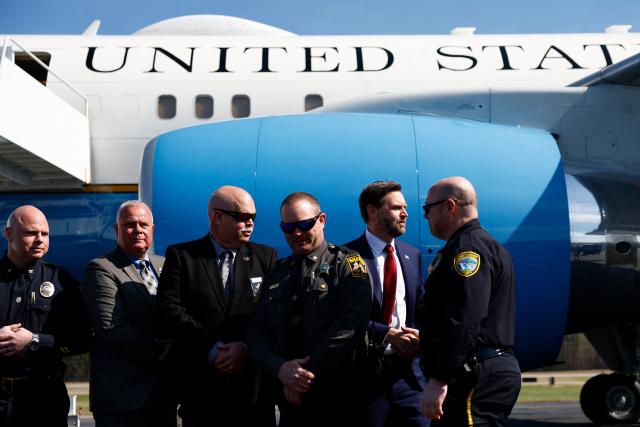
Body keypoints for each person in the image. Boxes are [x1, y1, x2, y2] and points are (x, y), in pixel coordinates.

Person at [156, 185, 277, 427]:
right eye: (242, 217)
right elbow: (170, 309)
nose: (250, 224)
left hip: (252, 392)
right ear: (217, 217)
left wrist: (245, 347)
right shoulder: (183, 256)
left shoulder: (266, 257)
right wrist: (212, 348)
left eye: (253, 218)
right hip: (202, 390)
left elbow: (272, 314)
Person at [249, 192, 373, 427]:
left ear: (322, 220)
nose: (296, 233)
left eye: (304, 224)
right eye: (288, 226)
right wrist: (281, 369)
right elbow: (256, 332)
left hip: (337, 398)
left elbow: (351, 325)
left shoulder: (347, 264)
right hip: (289, 400)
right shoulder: (276, 272)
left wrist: (303, 376)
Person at [418, 176, 521, 426]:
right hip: (478, 367)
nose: (425, 216)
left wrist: (439, 379)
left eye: (427, 208)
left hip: (474, 371)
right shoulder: (480, 244)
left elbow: (465, 318)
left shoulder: (468, 251)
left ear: (450, 207)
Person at [84, 200, 176, 426]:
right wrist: (166, 347)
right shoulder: (102, 268)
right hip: (123, 398)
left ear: (152, 230)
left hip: (163, 394)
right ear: (117, 230)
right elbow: (110, 326)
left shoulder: (165, 264)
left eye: (144, 224)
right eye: (130, 224)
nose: (138, 230)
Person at [345, 181, 427, 427]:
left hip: (410, 378)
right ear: (372, 212)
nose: (405, 213)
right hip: (368, 379)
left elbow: (420, 308)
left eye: (405, 207)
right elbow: (343, 317)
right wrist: (386, 334)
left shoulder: (412, 255)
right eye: (396, 208)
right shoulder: (346, 257)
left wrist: (422, 336)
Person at [0, 205, 91, 426]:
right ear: (9, 234)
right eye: (31, 232)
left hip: (43, 400)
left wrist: (33, 341)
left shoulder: (62, 281)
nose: (40, 239)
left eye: (45, 233)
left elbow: (84, 338)